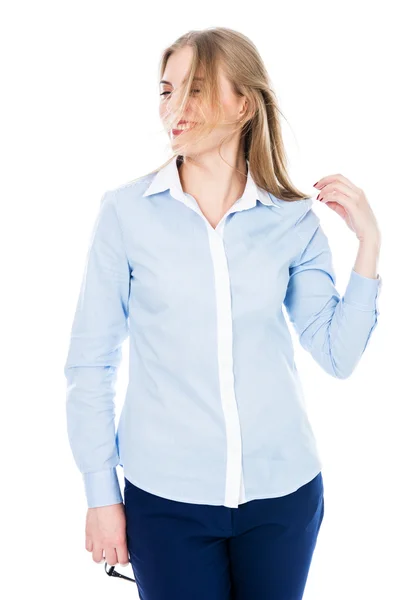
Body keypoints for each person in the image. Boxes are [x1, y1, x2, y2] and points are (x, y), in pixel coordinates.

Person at [63, 27, 382, 600]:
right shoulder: (125, 214)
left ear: (245, 104)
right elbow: (91, 364)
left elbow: (337, 356)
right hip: (166, 502)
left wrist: (370, 247)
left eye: (198, 89)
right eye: (167, 91)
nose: (174, 107)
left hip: (283, 498)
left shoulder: (291, 220)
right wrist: (100, 494)